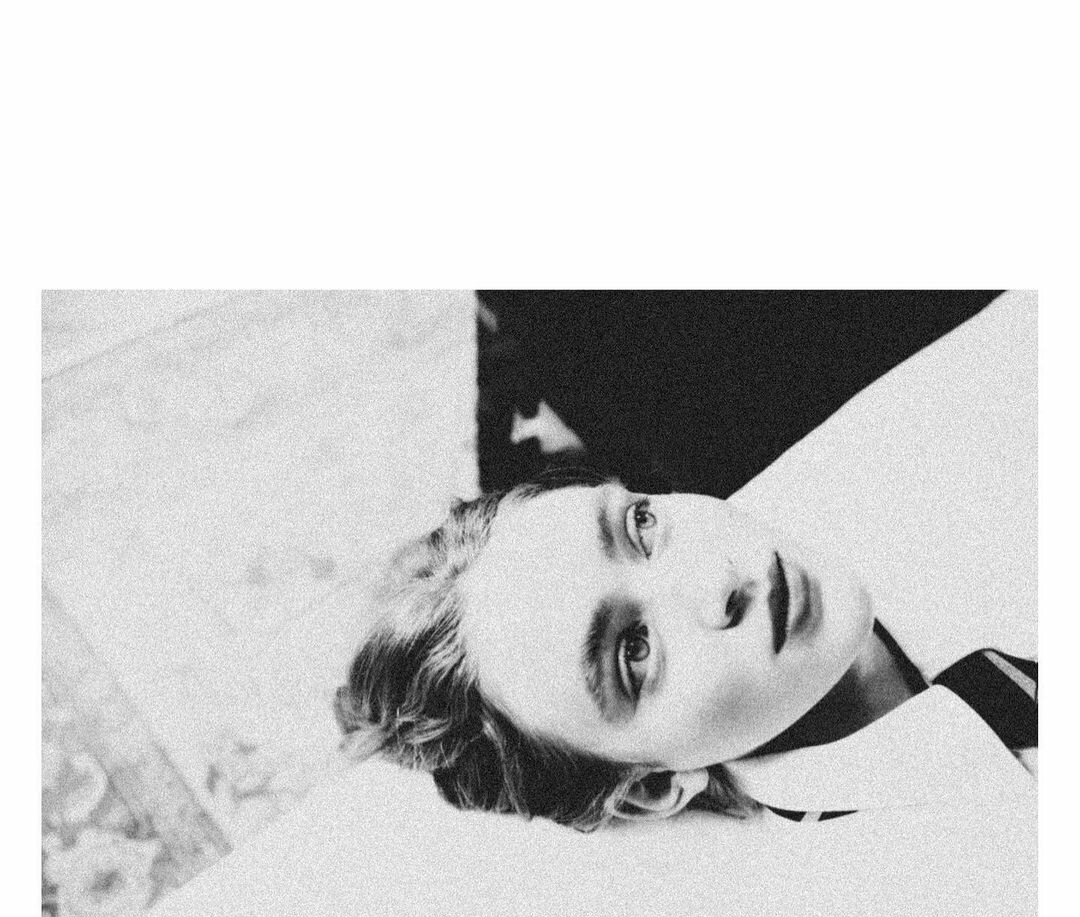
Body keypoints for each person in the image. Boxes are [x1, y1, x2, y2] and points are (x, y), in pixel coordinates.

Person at [335, 293, 1036, 832]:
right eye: (634, 652)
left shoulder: (949, 445)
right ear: (650, 788)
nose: (717, 579)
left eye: (641, 525)